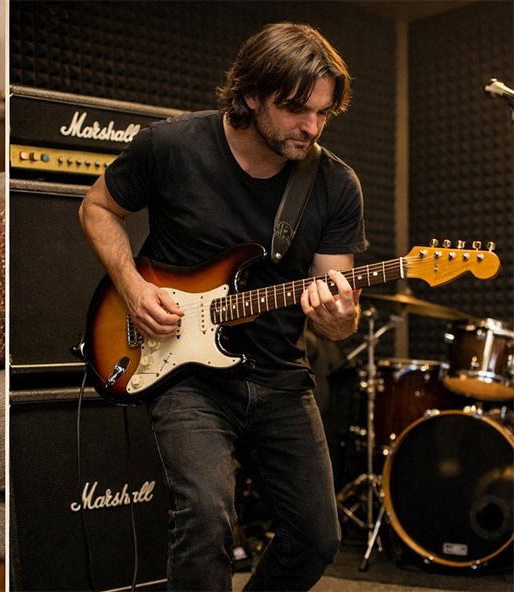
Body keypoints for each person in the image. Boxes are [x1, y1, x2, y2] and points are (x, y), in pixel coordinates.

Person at [79, 22, 365, 591]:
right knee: (208, 520)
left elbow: (338, 304)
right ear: (251, 93)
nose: (311, 127)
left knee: (315, 540)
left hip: (279, 375)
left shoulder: (335, 184)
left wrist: (340, 318)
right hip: (184, 374)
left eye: (323, 113)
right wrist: (134, 288)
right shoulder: (172, 146)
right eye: (295, 109)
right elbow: (97, 208)